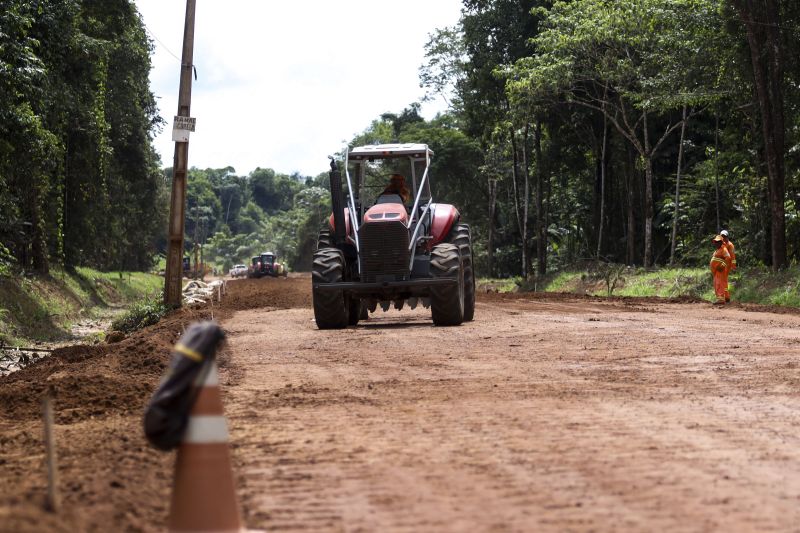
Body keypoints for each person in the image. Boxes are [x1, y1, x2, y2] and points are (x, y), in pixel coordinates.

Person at [710, 234, 731, 305]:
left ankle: (721, 299)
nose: (716, 243)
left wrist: (722, 265)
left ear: (721, 242)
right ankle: (722, 298)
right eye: (716, 242)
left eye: (718, 242)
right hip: (716, 271)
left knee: (719, 284)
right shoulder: (718, 250)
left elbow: (728, 257)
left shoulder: (723, 249)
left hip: (720, 270)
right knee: (717, 284)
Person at [720, 229, 736, 302]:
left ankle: (726, 296)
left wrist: (733, 266)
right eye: (722, 236)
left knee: (724, 279)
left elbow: (733, 256)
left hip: (727, 264)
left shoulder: (730, 245)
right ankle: (724, 296)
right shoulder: (721, 244)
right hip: (721, 264)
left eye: (724, 236)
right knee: (722, 280)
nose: (723, 238)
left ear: (727, 237)